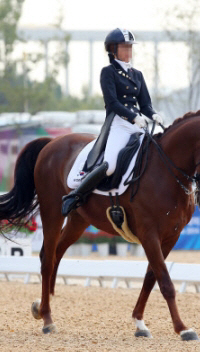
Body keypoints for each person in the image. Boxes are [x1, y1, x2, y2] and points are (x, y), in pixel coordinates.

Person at [61, 28, 163, 216]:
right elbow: (112, 103)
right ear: (113, 50)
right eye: (124, 47)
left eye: (130, 47)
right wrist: (133, 117)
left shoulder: (137, 74)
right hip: (119, 123)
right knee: (111, 165)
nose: (129, 51)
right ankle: (75, 196)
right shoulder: (108, 72)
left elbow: (146, 104)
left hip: (139, 124)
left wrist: (153, 115)